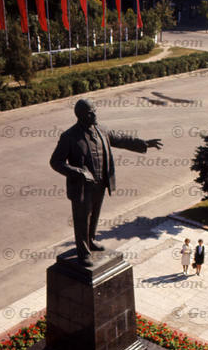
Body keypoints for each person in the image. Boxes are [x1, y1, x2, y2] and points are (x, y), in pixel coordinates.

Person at [50, 98, 162, 266]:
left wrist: (143, 143)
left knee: (94, 215)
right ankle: (83, 252)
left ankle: (92, 240)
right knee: (82, 220)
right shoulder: (69, 136)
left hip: (101, 183)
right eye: (90, 112)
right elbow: (55, 162)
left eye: (95, 110)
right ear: (81, 116)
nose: (94, 114)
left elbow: (121, 139)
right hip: (82, 187)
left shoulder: (101, 130)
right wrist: (78, 172)